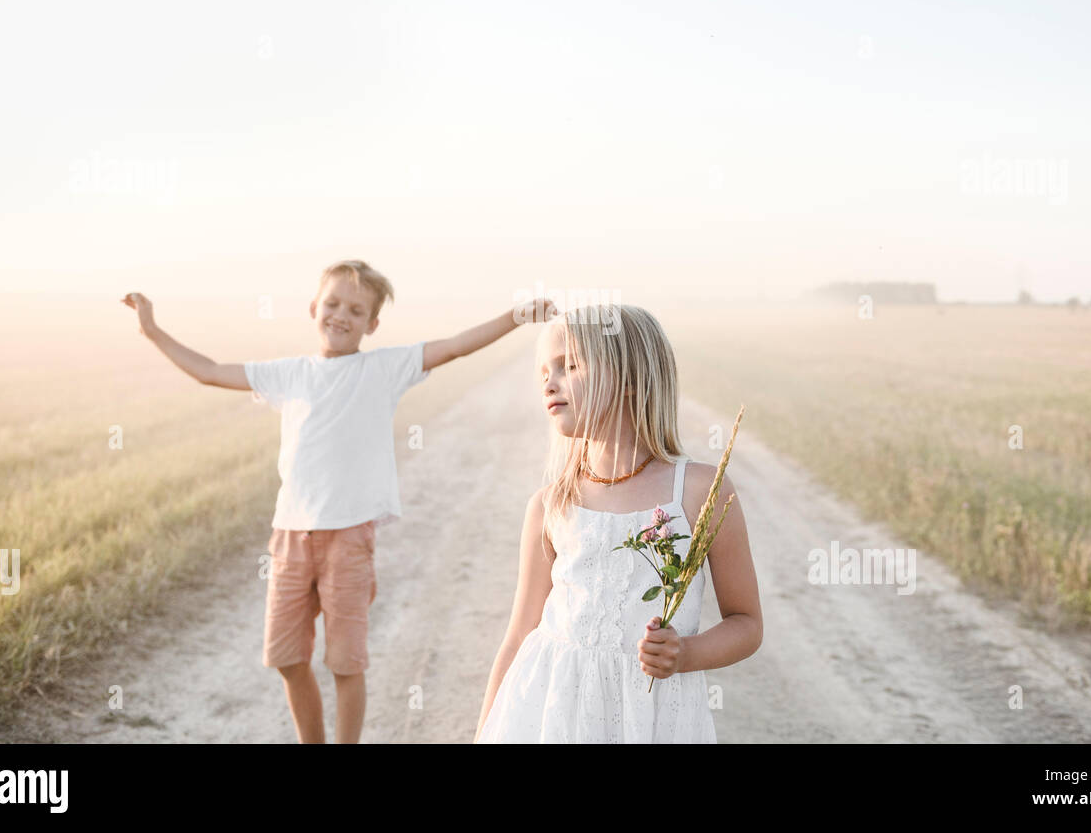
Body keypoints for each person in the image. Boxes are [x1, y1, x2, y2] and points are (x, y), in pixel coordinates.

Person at [122, 259, 555, 742]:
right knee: (286, 658)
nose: (341, 315)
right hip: (290, 537)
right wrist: (151, 330)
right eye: (332, 304)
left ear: (371, 324)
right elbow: (209, 371)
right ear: (314, 308)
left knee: (346, 664)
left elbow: (453, 347)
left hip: (349, 539)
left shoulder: (383, 369)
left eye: (356, 309)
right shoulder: (289, 373)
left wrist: (514, 316)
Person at [475, 304, 762, 742]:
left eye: (570, 365)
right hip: (553, 715)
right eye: (543, 372)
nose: (549, 382)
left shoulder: (700, 490)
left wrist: (684, 654)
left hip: (653, 717)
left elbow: (746, 623)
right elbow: (518, 636)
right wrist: (485, 731)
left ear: (629, 380)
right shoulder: (552, 504)